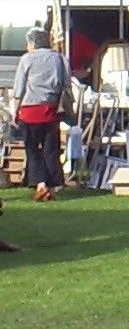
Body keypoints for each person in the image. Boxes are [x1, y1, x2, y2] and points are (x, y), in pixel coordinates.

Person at [12, 27, 68, 202]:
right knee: (51, 150)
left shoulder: (27, 59)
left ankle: (41, 184)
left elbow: (19, 88)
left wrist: (15, 110)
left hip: (29, 112)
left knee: (33, 150)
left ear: (33, 43)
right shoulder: (59, 58)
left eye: (28, 43)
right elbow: (65, 84)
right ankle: (53, 185)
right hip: (51, 111)